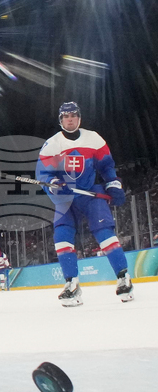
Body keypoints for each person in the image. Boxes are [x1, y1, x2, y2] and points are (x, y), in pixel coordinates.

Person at [36, 102, 133, 307]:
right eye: (65, 116)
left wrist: (113, 185)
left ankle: (124, 278)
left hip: (90, 193)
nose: (69, 119)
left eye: (73, 115)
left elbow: (106, 166)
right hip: (65, 197)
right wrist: (55, 185)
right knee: (62, 236)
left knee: (104, 232)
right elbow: (44, 174)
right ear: (60, 120)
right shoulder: (52, 144)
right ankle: (72, 284)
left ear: (79, 118)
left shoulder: (94, 139)